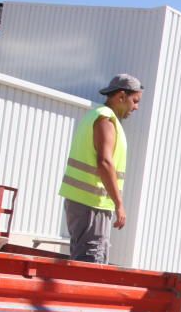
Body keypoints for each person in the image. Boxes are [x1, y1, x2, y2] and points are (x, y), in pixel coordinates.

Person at [59, 74, 143, 263]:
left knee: (85, 258)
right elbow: (105, 162)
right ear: (121, 96)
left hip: (86, 203)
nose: (136, 107)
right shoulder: (106, 120)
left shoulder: (96, 116)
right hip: (92, 204)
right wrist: (119, 203)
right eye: (135, 101)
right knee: (90, 261)